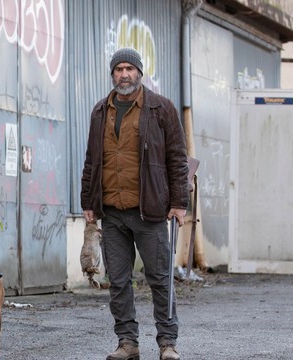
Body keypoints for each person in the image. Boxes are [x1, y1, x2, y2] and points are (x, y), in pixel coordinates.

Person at [80, 47, 189, 360]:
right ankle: (127, 342)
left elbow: (177, 159)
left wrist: (179, 203)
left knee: (160, 280)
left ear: (139, 73)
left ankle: (167, 343)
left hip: (151, 211)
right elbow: (91, 161)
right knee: (118, 281)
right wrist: (88, 201)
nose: (124, 74)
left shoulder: (161, 109)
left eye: (129, 68)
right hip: (112, 212)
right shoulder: (101, 111)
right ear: (112, 74)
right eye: (118, 69)